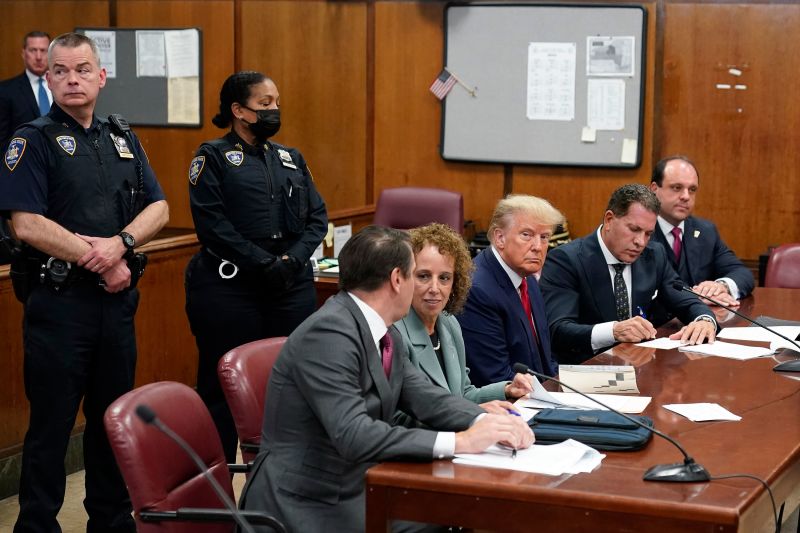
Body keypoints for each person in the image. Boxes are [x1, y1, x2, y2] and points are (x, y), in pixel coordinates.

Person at [239, 225, 534, 533]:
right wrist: (459, 441)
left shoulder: (383, 331)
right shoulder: (328, 333)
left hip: (358, 480)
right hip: (309, 498)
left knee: (463, 510)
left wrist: (483, 421)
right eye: (416, 275)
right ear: (397, 279)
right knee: (456, 515)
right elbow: (355, 434)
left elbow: (423, 395)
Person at [0, 33, 169, 533]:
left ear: (100, 77)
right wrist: (101, 258)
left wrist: (120, 244)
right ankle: (36, 526)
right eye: (61, 71)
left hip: (115, 308)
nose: (72, 79)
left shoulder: (122, 136)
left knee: (112, 422)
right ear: (47, 79)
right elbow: (26, 223)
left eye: (82, 69)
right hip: (59, 307)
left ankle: (111, 522)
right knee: (51, 430)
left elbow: (159, 207)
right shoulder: (31, 139)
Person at [185, 71, 327, 462]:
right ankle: (217, 496)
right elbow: (212, 225)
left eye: (276, 102)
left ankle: (280, 483)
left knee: (287, 386)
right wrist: (263, 263)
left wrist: (291, 261)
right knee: (222, 390)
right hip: (231, 291)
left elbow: (317, 217)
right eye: (265, 104)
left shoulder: (290, 157)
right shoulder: (211, 157)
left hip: (288, 287)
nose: (274, 110)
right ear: (238, 110)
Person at [539, 184, 716, 365]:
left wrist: (704, 320)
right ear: (609, 220)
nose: (641, 242)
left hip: (640, 367)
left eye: (648, 234)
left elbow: (684, 299)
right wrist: (613, 331)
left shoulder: (654, 255)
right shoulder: (566, 260)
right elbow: (557, 330)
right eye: (634, 229)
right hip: (587, 370)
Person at [393, 223, 534, 427]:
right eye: (423, 276)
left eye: (444, 278)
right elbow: (396, 418)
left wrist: (507, 390)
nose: (435, 288)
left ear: (455, 282)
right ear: (404, 277)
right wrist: (472, 414)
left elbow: (462, 393)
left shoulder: (449, 324)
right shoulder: (395, 333)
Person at [457, 195, 564, 387]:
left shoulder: (528, 279)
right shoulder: (477, 290)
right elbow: (493, 375)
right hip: (507, 404)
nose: (538, 247)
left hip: (540, 393)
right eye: (527, 235)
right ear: (500, 238)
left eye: (544, 237)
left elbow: (545, 360)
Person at [649, 155, 754, 310]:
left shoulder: (705, 232)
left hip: (702, 323)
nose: (686, 196)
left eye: (692, 190)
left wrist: (720, 287)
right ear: (654, 189)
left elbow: (742, 273)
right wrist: (695, 298)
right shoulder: (638, 232)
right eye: (676, 188)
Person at [0, 31, 51, 150]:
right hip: (23, 161)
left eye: (43, 50)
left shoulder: (63, 86)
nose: (38, 57)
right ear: (23, 53)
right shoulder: (6, 91)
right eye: (33, 50)